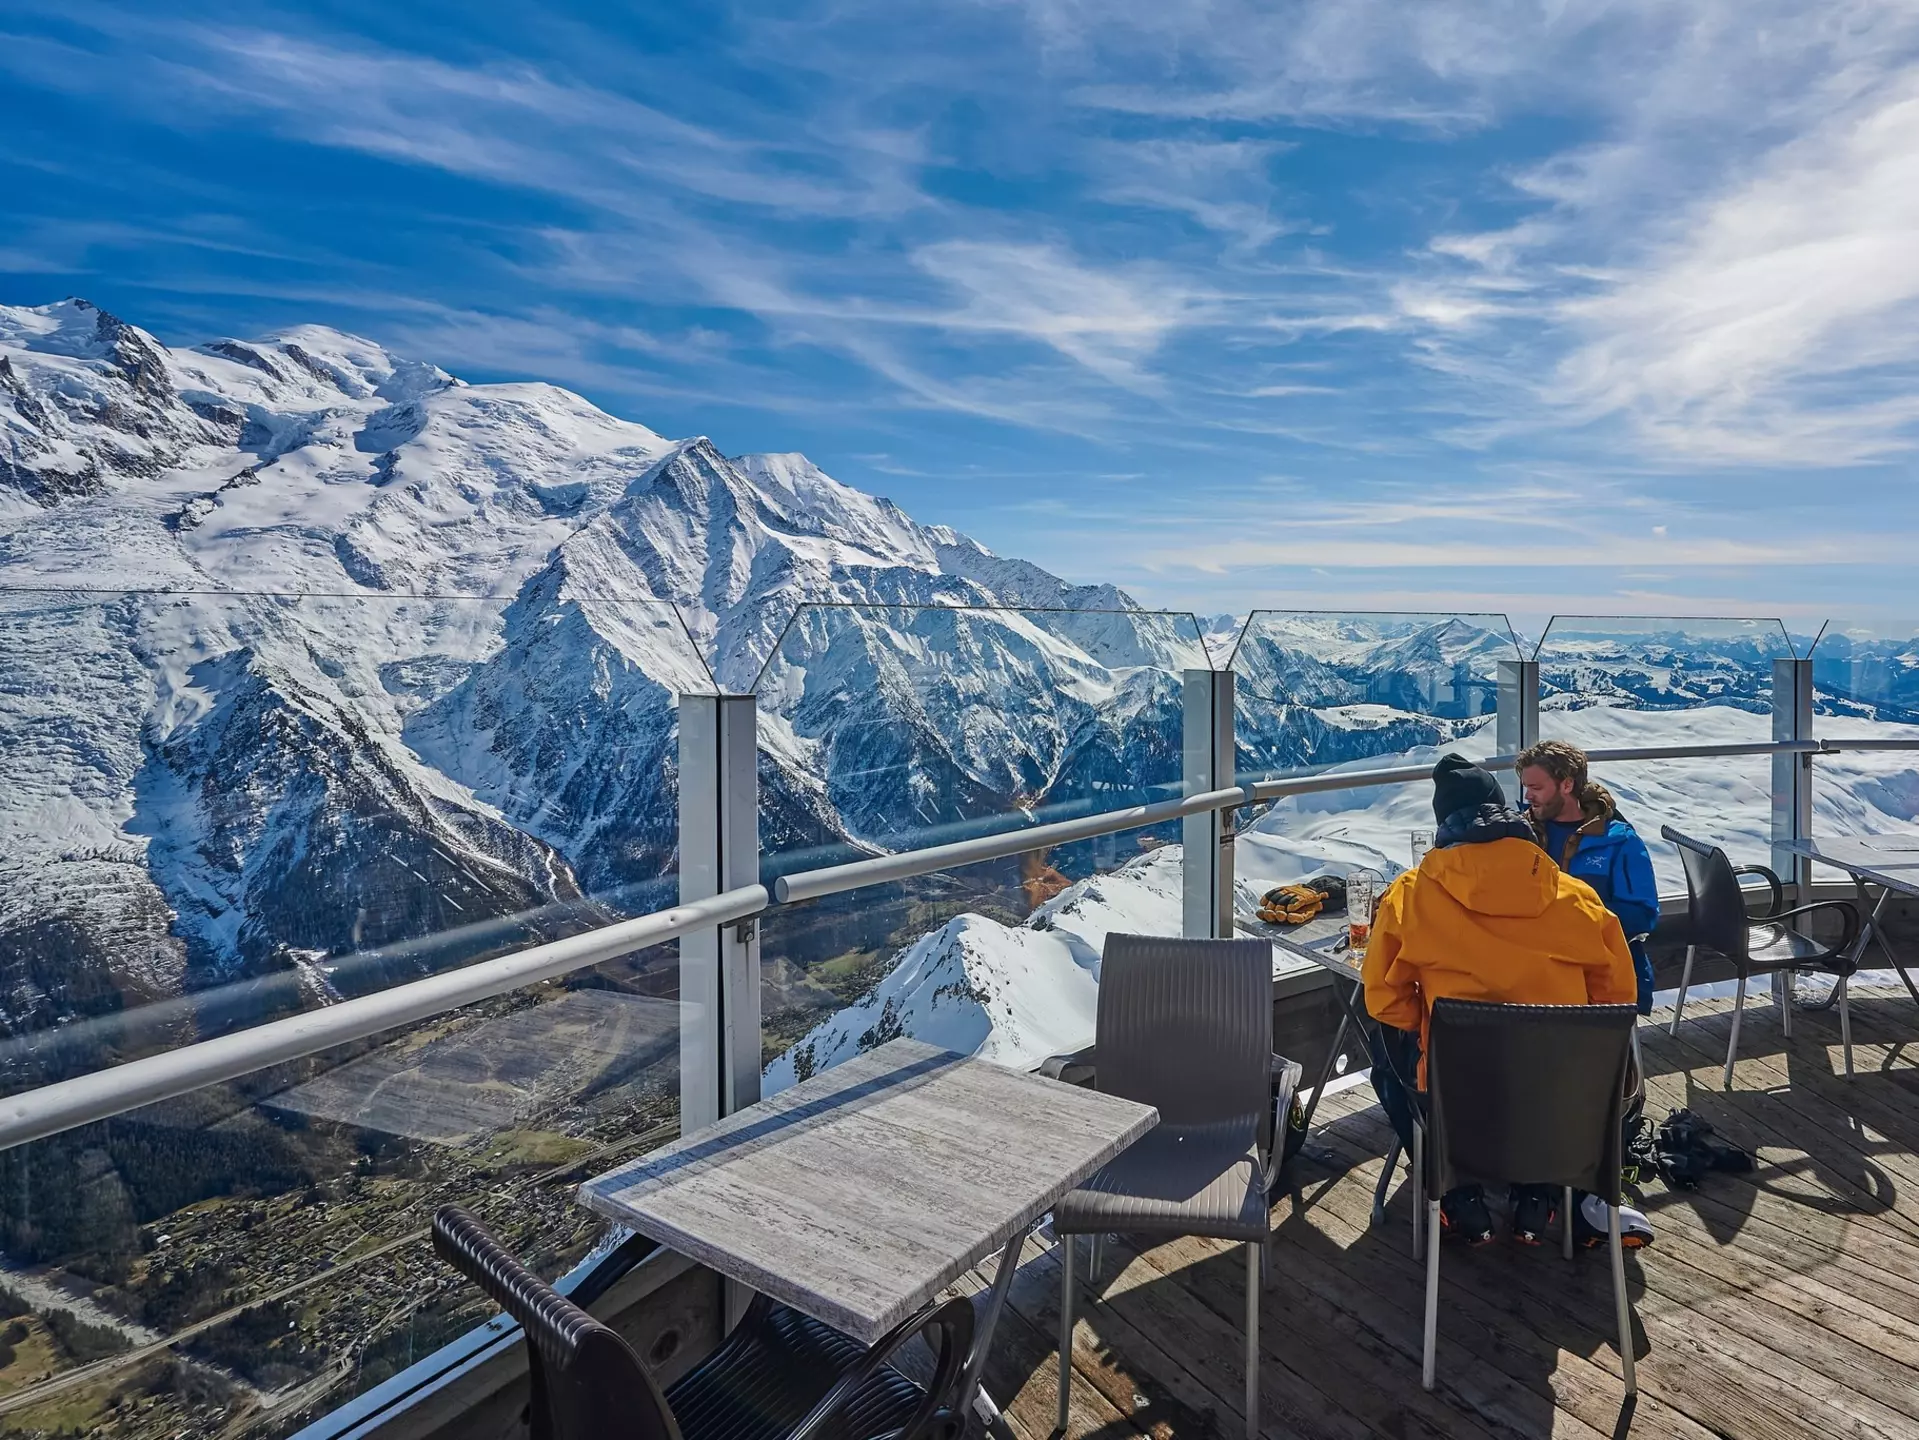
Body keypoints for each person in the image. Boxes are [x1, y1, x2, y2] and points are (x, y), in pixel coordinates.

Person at [1361, 754, 1640, 1247]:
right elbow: (1616, 1001)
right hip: (1557, 1096)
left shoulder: (1410, 894)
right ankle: (1540, 1193)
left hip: (1458, 1091)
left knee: (1387, 1063)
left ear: (1443, 824)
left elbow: (1383, 999)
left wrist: (1428, 1021)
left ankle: (1452, 1193)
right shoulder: (1576, 898)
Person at [1517, 740, 1661, 1014]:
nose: (1527, 796)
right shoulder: (1521, 836)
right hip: (1532, 972)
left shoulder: (1619, 841)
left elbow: (1643, 915)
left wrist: (1568, 917)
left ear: (1567, 785)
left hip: (1599, 974)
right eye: (1526, 787)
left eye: (1536, 788)